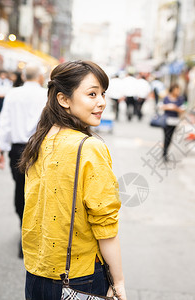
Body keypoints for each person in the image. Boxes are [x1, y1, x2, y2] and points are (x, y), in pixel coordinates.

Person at [17, 61, 126, 300]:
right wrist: (118, 282)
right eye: (92, 94)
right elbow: (105, 226)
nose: (101, 102)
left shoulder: (40, 140)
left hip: (36, 273)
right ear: (63, 100)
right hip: (79, 277)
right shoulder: (90, 148)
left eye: (103, 94)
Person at [0, 64, 47, 258]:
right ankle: (32, 232)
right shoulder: (45, 95)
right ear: (40, 77)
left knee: (20, 188)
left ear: (24, 77)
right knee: (38, 191)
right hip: (40, 148)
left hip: (17, 148)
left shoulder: (12, 94)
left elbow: (5, 123)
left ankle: (23, 228)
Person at [162, 83, 185, 161]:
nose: (177, 91)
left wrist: (175, 108)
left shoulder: (180, 99)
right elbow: (162, 107)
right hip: (166, 120)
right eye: (176, 90)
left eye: (178, 90)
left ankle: (165, 151)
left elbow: (182, 110)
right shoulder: (166, 98)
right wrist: (169, 107)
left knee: (170, 137)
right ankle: (164, 152)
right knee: (166, 136)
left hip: (174, 120)